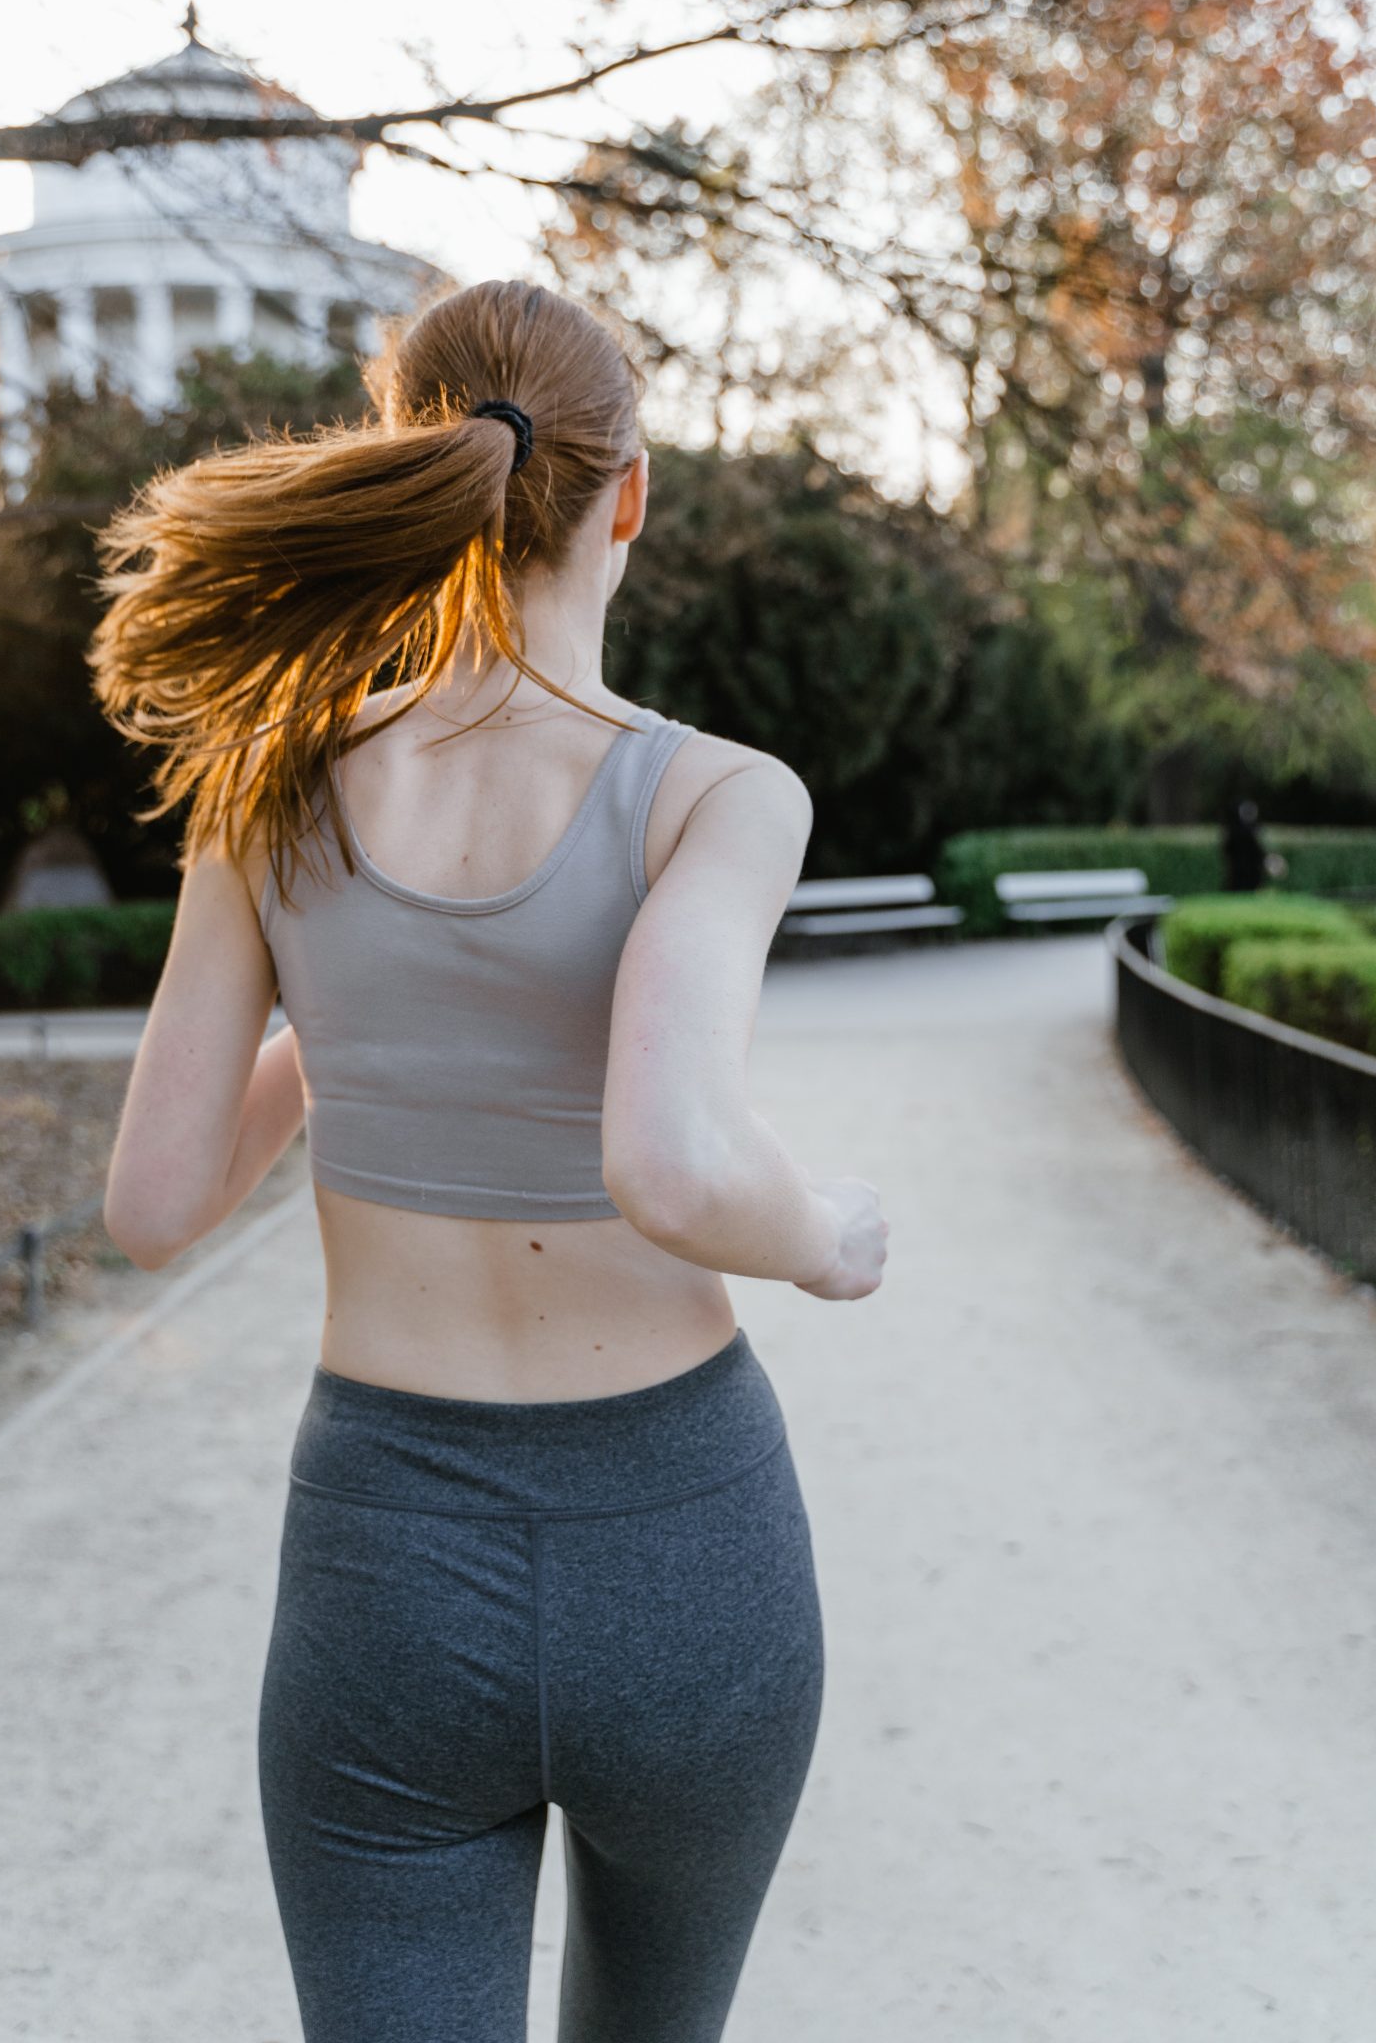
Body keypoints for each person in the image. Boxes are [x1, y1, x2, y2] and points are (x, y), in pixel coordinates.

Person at [89, 279, 889, 2043]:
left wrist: (343, 1028)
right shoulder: (715, 793)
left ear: (413, 468)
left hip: (383, 1554)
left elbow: (150, 1208)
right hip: (688, 1547)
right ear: (632, 494)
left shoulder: (265, 784)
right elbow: (674, 1164)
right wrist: (831, 1237)